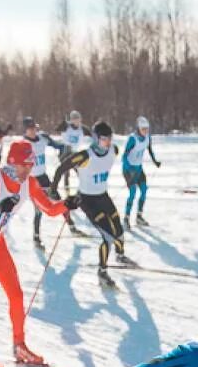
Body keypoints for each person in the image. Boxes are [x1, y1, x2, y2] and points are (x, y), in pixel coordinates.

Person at [0, 139, 79, 367]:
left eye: (31, 164)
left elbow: (48, 208)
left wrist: (66, 204)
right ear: (12, 163)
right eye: (24, 165)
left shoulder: (29, 183)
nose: (28, 170)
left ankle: (19, 346)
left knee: (16, 293)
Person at [53, 120, 137, 287]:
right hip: (87, 200)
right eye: (104, 139)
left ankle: (120, 255)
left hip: (103, 197)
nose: (108, 142)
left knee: (119, 231)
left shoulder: (113, 150)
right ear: (96, 138)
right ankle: (102, 272)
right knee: (108, 237)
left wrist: (128, 179)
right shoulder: (85, 156)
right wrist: (53, 189)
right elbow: (61, 168)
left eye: (110, 138)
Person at [18, 118, 64, 246]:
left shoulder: (42, 138)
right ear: (25, 130)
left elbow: (57, 145)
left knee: (58, 199)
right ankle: (36, 237)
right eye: (30, 128)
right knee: (38, 209)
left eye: (34, 128)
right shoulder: (22, 144)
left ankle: (71, 224)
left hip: (43, 177)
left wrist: (63, 149)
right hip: (32, 180)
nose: (33, 130)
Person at [121, 116, 160, 227]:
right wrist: (129, 170)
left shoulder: (148, 138)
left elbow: (150, 150)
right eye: (143, 129)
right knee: (133, 192)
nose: (145, 131)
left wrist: (155, 161)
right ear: (138, 128)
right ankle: (126, 218)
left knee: (143, 190)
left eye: (147, 129)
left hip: (138, 169)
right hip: (128, 169)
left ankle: (139, 216)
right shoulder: (133, 139)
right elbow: (124, 156)